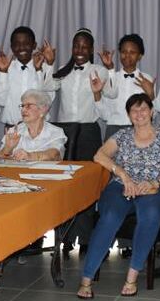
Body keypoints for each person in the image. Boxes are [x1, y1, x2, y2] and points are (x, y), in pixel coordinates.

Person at [77, 93, 160, 299]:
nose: (139, 113)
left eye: (143, 108)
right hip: (122, 187)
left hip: (155, 190)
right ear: (128, 115)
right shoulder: (122, 135)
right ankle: (86, 278)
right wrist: (123, 175)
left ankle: (132, 276)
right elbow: (99, 155)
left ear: (152, 111)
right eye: (134, 110)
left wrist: (156, 183)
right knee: (109, 217)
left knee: (150, 214)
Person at [0, 90, 68, 292]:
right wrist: (6, 149)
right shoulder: (15, 131)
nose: (24, 110)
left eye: (29, 105)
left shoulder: (55, 132)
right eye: (22, 105)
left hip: (45, 190)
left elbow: (55, 154)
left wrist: (31, 155)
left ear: (43, 110)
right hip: (15, 189)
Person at [42, 28, 110, 255]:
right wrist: (50, 64)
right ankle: (65, 237)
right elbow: (47, 89)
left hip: (89, 131)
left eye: (84, 46)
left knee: (87, 186)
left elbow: (105, 112)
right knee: (64, 186)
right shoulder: (64, 71)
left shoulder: (99, 71)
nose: (80, 50)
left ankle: (86, 238)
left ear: (91, 49)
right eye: (76, 46)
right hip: (64, 132)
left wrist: (98, 92)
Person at [0, 26, 54, 130]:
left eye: (26, 43)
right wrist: (3, 71)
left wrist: (39, 70)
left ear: (34, 45)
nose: (21, 48)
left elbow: (48, 100)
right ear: (12, 47)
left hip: (39, 128)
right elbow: (0, 101)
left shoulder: (44, 68)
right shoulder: (5, 68)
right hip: (13, 128)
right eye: (17, 44)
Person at [99, 33, 155, 140]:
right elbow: (104, 114)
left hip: (140, 129)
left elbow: (153, 115)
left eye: (132, 52)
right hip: (114, 129)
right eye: (124, 52)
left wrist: (151, 96)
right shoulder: (110, 77)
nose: (127, 55)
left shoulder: (147, 79)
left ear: (140, 56)